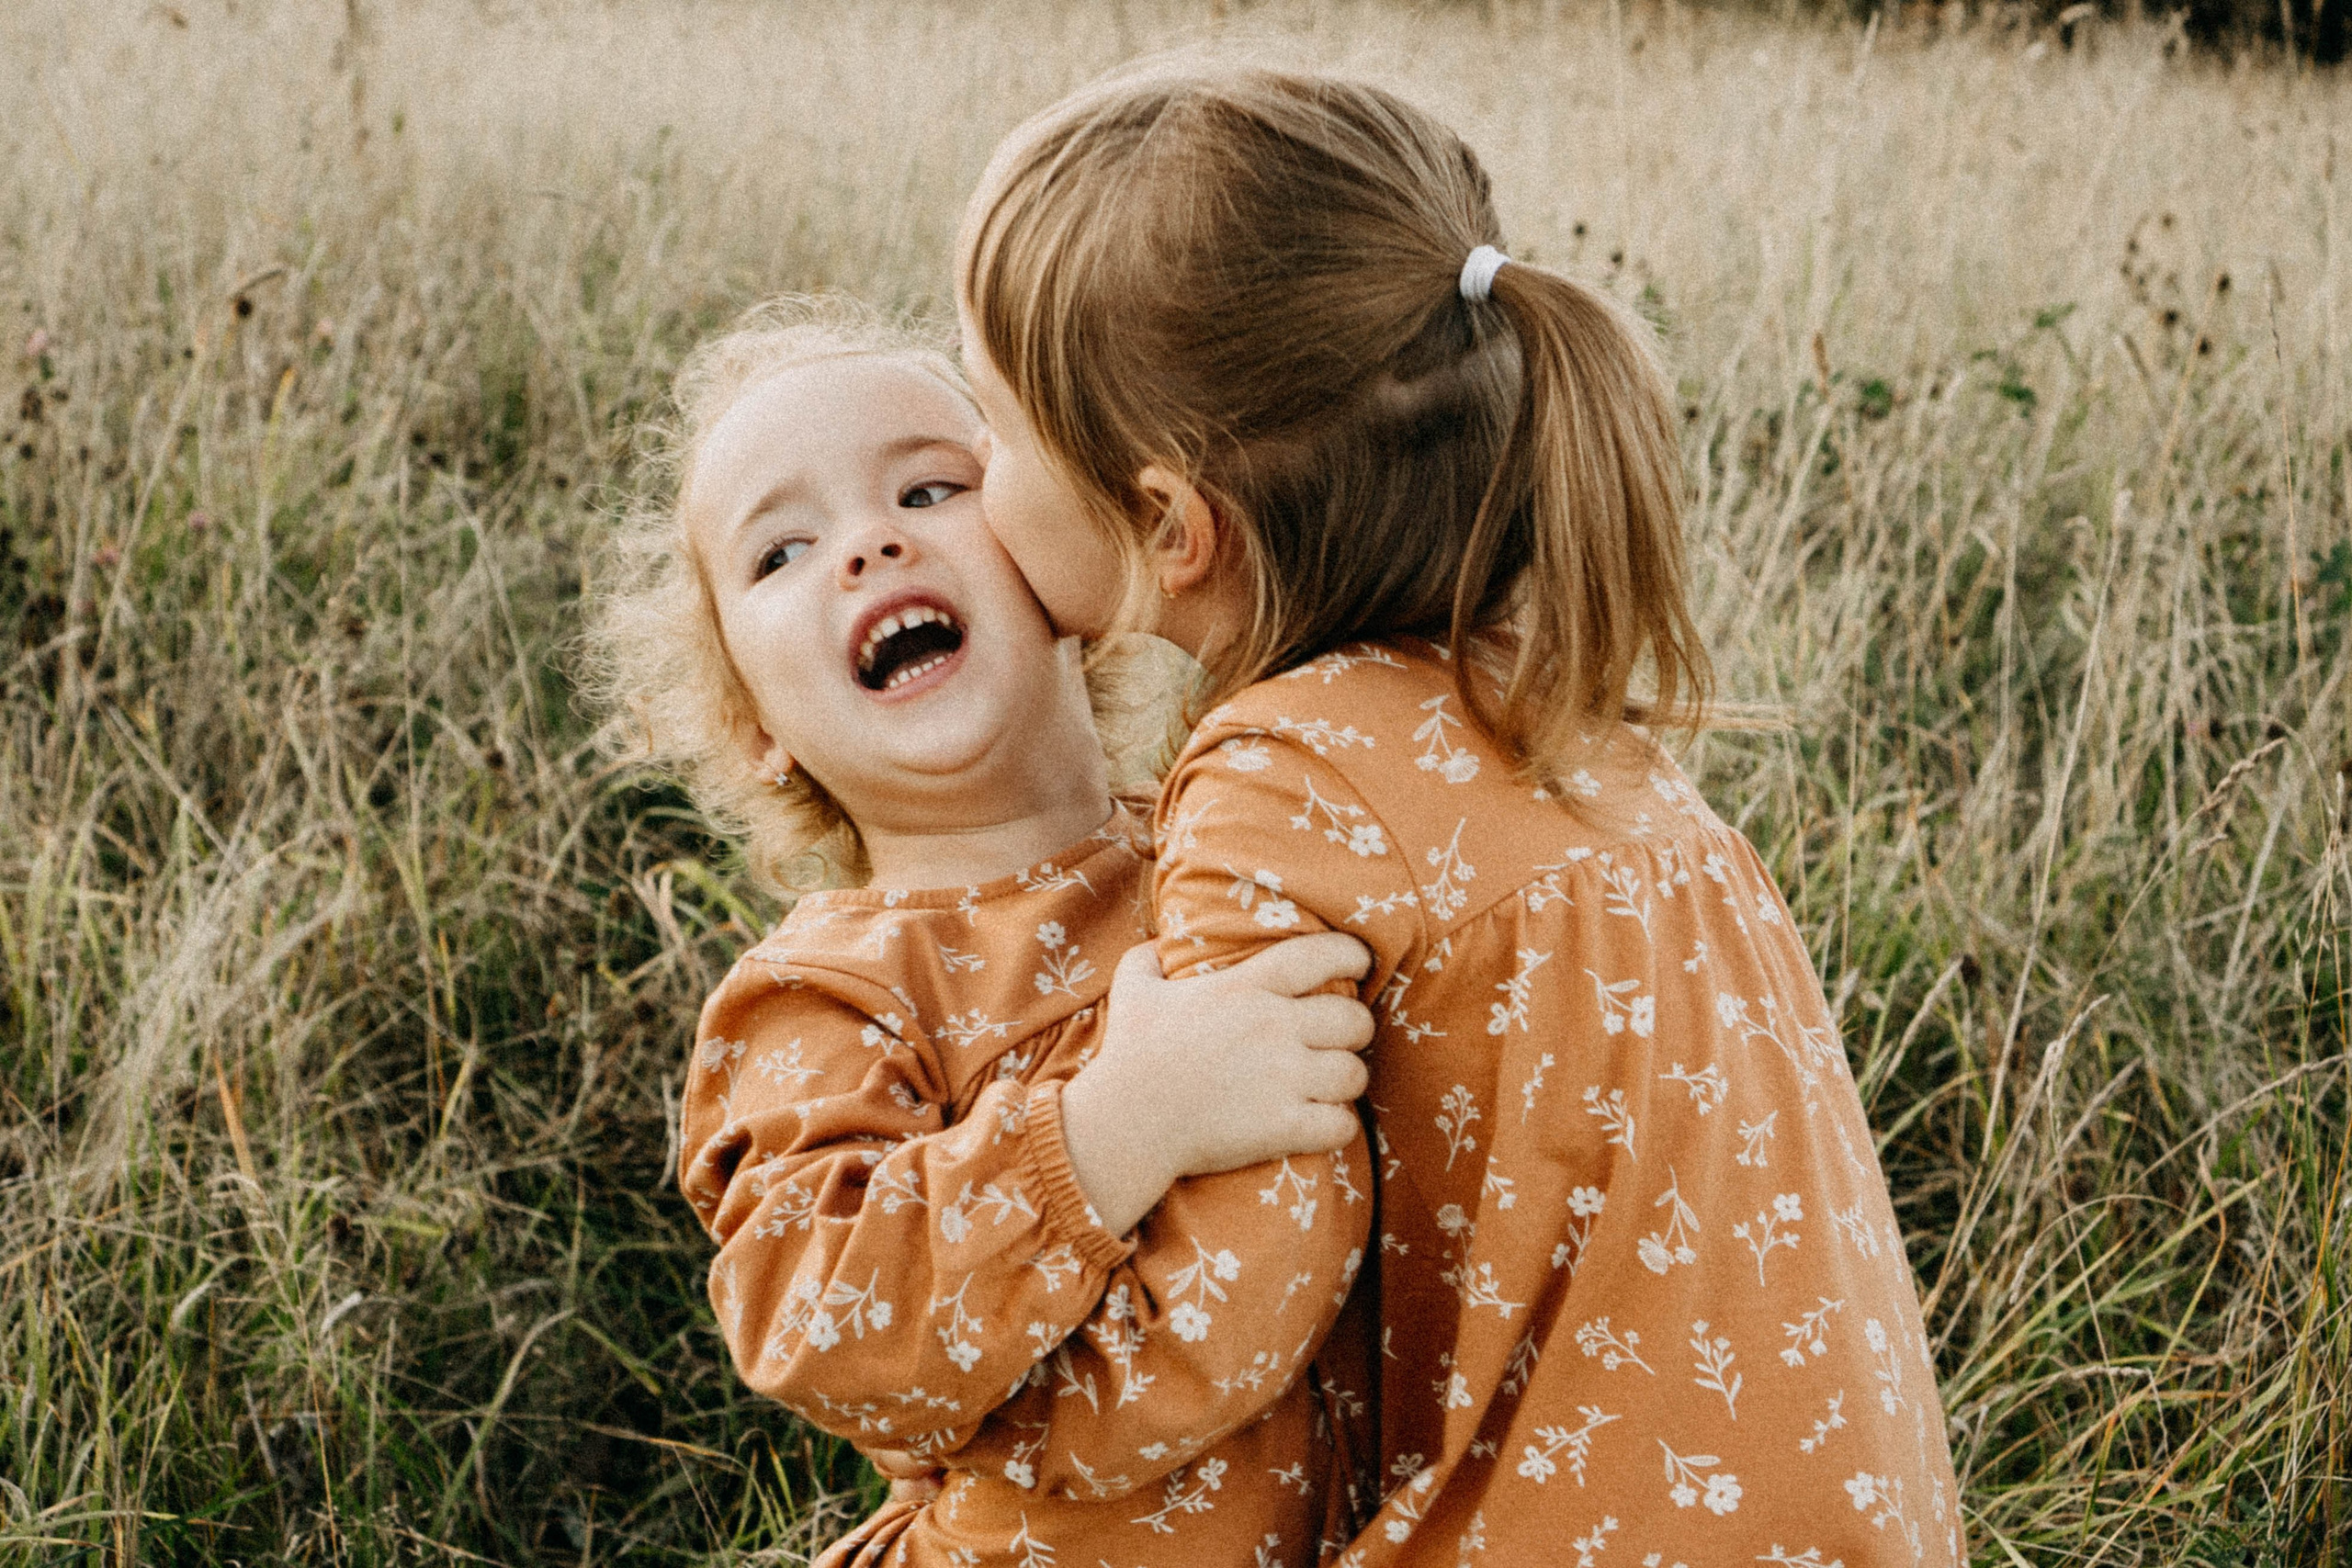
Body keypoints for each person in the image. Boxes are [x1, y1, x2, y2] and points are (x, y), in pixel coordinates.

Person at [955, 63, 1966, 1567]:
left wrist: (963, 1435)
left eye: (992, 429)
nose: (974, 486)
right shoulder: (1581, 731)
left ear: (1171, 527)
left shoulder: (1279, 785)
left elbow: (1228, 1326)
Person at [588, 299, 1377, 1567]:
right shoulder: (825, 994)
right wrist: (1117, 1127)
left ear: (1066, 560)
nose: (866, 549)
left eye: (930, 487)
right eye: (780, 552)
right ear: (754, 727)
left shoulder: (1225, 831)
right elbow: (829, 1328)